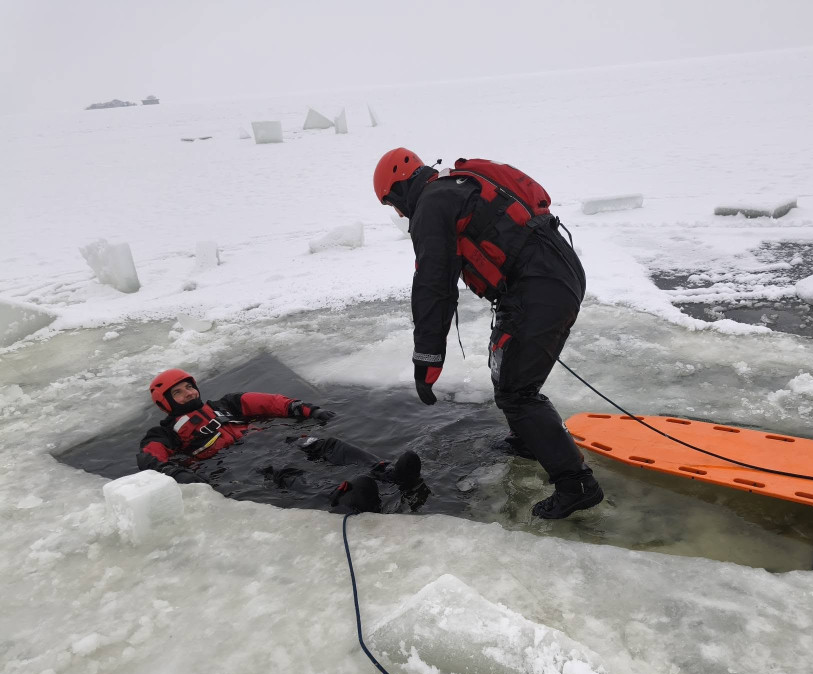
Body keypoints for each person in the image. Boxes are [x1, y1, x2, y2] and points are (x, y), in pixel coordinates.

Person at [372, 148, 604, 519]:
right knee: (509, 372)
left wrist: (427, 358)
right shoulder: (451, 187)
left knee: (518, 393)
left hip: (540, 288)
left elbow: (434, 286)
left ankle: (576, 485)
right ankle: (529, 441)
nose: (398, 213)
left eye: (392, 204)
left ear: (400, 190)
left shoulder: (431, 205)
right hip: (547, 279)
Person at [137, 368, 426, 513]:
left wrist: (305, 409)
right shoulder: (164, 434)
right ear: (165, 402)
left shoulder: (225, 405)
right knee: (283, 474)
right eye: (179, 392)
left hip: (267, 441)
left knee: (325, 444)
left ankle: (388, 472)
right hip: (232, 462)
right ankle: (341, 494)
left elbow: (267, 403)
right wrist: (179, 473)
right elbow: (151, 459)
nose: (188, 393)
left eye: (189, 387)